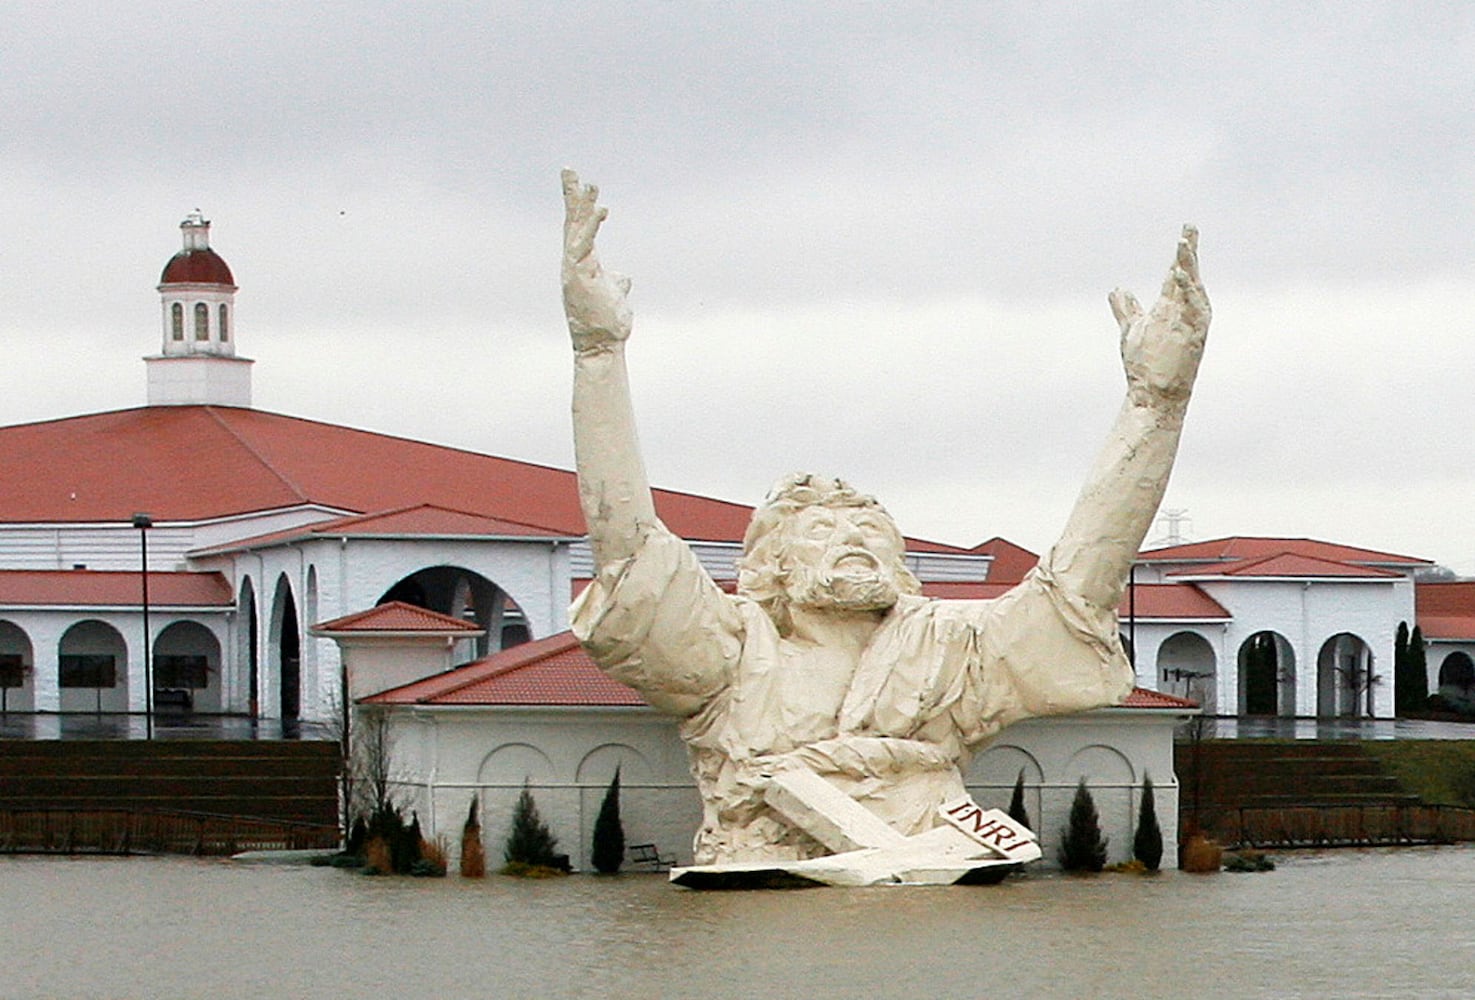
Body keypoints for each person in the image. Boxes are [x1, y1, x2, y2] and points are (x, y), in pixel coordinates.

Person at [561, 169, 1210, 866]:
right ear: (771, 563)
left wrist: (1155, 402)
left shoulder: (949, 651)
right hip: (756, 907)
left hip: (929, 905)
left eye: (869, 530)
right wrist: (598, 355)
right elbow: (628, 549)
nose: (852, 541)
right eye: (821, 530)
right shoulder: (731, 652)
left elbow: (1079, 584)